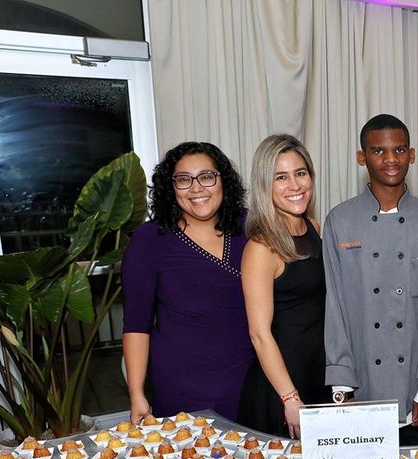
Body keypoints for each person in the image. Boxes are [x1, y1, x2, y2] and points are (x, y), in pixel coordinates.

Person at [322, 115, 418, 445]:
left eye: (399, 150)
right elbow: (335, 308)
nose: (391, 159)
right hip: (361, 386)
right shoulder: (340, 220)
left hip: (416, 389)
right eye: (378, 151)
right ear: (362, 157)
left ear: (412, 154)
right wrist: (342, 389)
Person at [122, 142, 253, 422]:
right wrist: (136, 393)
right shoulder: (150, 239)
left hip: (251, 381)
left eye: (206, 176)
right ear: (171, 188)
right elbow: (136, 326)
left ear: (223, 181)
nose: (196, 188)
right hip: (181, 389)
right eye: (183, 180)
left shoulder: (251, 227)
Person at [236, 135, 329, 438]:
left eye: (300, 173)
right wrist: (289, 398)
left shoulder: (313, 227)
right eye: (281, 177)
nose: (295, 185)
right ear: (265, 185)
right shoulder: (261, 247)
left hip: (317, 372)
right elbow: (259, 334)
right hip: (283, 384)